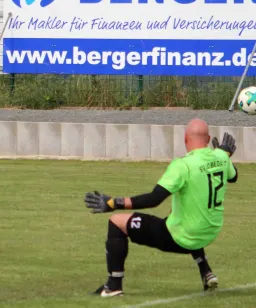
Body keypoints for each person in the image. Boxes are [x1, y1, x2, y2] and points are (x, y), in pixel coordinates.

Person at [84, 119, 238, 297]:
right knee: (179, 215)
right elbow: (233, 177)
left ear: (185, 138)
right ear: (209, 139)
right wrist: (224, 153)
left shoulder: (182, 165)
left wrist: (113, 203)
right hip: (210, 232)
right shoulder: (222, 157)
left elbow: (154, 199)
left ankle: (113, 286)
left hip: (182, 237)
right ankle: (206, 271)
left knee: (117, 222)